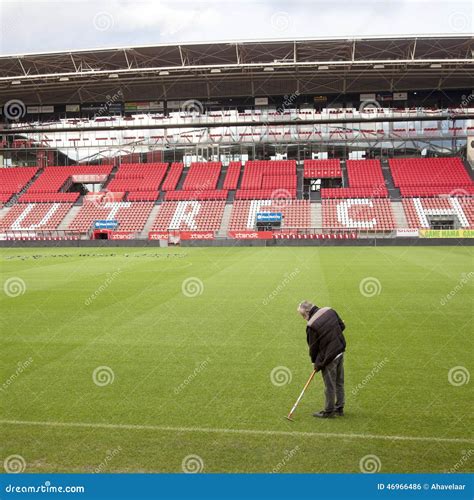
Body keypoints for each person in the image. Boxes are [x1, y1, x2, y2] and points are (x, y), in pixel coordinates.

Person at [297, 300, 346, 418]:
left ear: (308, 312)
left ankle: (329, 411)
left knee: (330, 385)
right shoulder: (330, 310)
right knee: (339, 382)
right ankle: (339, 408)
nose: (304, 318)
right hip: (340, 350)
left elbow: (313, 348)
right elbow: (342, 326)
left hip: (329, 357)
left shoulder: (311, 325)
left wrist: (316, 363)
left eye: (303, 315)